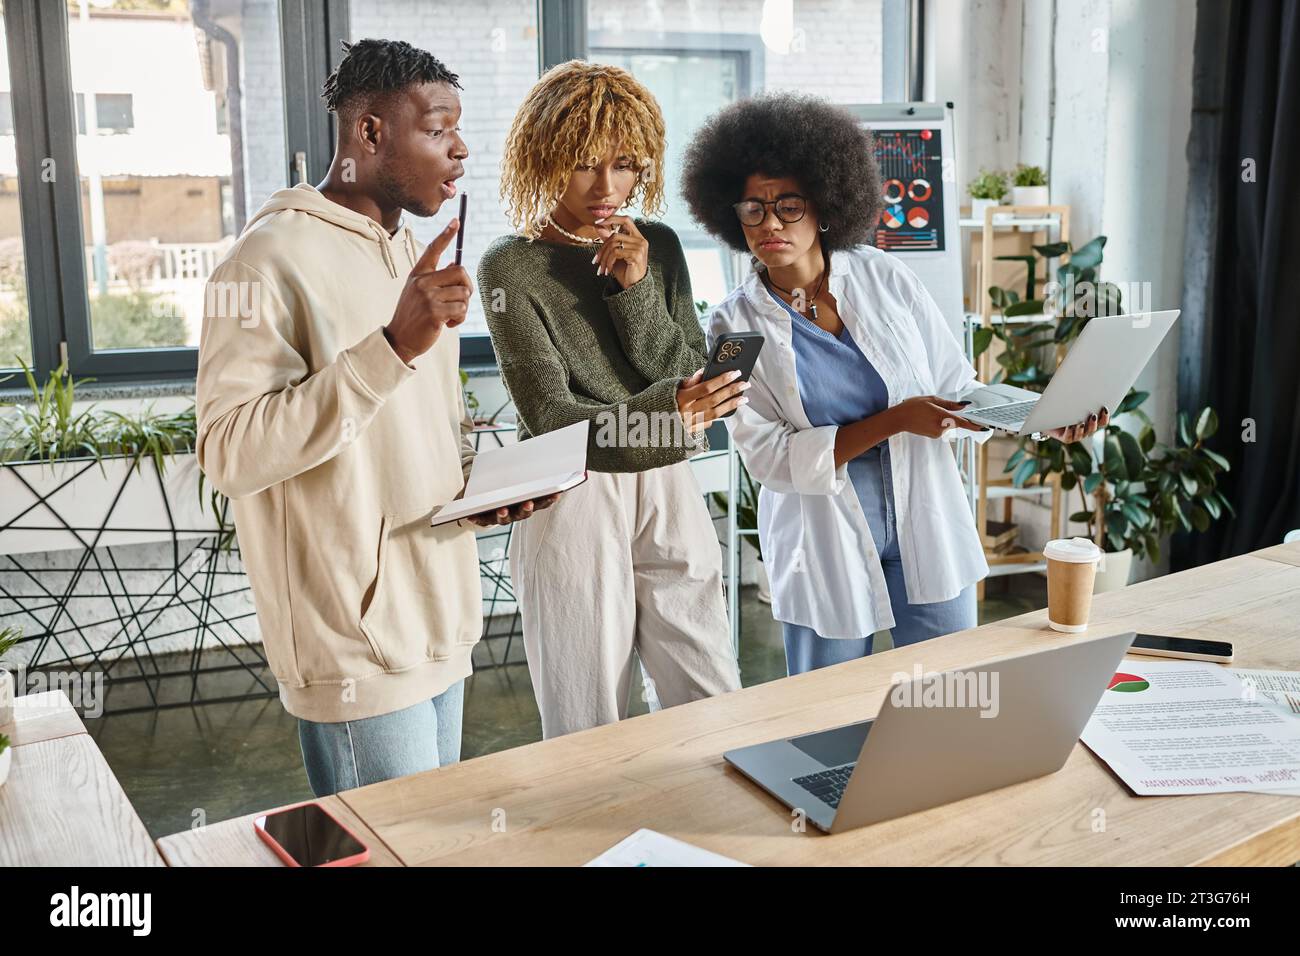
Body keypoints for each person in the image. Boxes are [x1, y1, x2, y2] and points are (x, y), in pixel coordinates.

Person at [196, 39, 551, 797]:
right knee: (389, 853)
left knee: (429, 846)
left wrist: (482, 491)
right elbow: (229, 452)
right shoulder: (262, 262)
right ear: (369, 135)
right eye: (437, 128)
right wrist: (391, 345)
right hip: (354, 644)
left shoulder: (409, 252)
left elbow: (402, 434)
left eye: (459, 129)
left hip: (440, 619)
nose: (460, 149)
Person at [681, 93, 1109, 675]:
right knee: (821, 713)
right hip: (822, 544)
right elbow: (767, 455)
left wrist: (1042, 417)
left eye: (788, 204)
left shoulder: (885, 277)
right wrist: (895, 421)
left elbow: (958, 387)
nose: (771, 223)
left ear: (825, 202)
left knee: (948, 699)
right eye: (753, 208)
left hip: (923, 523)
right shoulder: (734, 326)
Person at [478, 60, 743, 738]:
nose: (607, 188)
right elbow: (550, 418)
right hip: (575, 490)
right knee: (585, 711)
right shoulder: (511, 266)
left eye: (625, 166)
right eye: (584, 165)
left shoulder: (659, 246)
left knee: (709, 688)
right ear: (544, 158)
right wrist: (669, 411)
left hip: (665, 475)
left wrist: (634, 287)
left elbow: (679, 364)